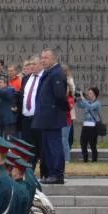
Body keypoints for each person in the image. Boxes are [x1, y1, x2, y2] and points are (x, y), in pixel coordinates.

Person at [28, 49, 69, 184]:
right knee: (47, 148)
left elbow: (60, 97)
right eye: (42, 57)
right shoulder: (49, 73)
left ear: (53, 59)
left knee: (54, 146)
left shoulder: (57, 74)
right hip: (45, 119)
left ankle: (57, 174)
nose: (42, 60)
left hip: (52, 118)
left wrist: (59, 111)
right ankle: (49, 173)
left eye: (45, 58)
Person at [78, 88, 103, 163]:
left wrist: (83, 99)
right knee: (83, 144)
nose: (89, 95)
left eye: (90, 93)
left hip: (93, 127)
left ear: (95, 94)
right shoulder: (87, 102)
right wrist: (79, 98)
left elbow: (90, 107)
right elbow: (80, 105)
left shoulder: (97, 103)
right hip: (85, 126)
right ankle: (85, 160)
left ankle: (94, 161)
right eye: (88, 93)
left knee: (93, 145)